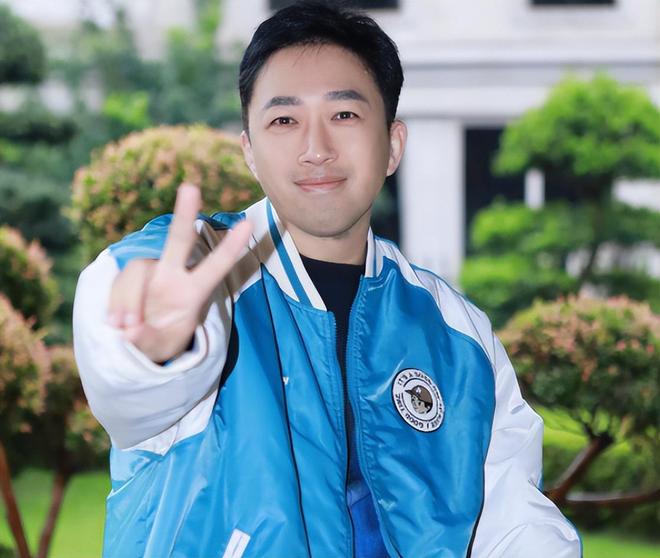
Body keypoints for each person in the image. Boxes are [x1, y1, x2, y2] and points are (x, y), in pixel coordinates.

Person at [72, 2, 582, 557]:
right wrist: (152, 349)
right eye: (284, 121)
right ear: (249, 151)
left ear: (393, 145)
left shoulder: (457, 331)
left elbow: (512, 519)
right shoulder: (204, 273)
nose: (316, 149)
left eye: (344, 115)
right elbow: (128, 383)